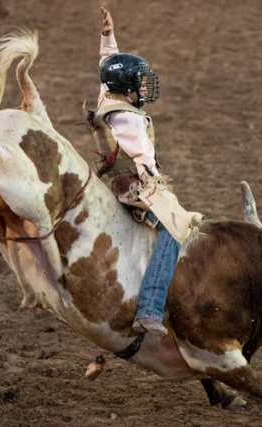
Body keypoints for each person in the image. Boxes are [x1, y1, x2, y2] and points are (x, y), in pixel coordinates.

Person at [88, 6, 201, 338]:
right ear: (127, 86)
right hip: (133, 185)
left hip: (113, 179)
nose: (144, 87)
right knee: (174, 227)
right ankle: (150, 308)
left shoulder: (108, 98)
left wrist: (107, 35)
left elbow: (106, 62)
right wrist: (160, 190)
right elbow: (144, 159)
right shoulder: (131, 118)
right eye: (139, 82)